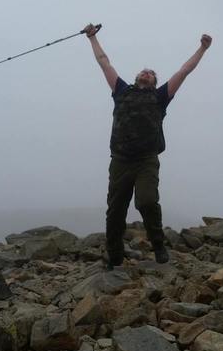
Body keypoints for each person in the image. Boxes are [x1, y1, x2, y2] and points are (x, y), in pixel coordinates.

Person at [83, 23, 212, 269]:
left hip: (146, 160)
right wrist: (92, 37)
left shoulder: (161, 97)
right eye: (143, 71)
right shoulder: (121, 90)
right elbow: (104, 61)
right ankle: (115, 255)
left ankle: (158, 244)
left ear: (154, 82)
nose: (146, 73)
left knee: (147, 201)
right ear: (137, 77)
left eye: (151, 73)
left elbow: (184, 71)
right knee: (115, 210)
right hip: (120, 160)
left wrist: (202, 49)